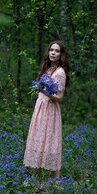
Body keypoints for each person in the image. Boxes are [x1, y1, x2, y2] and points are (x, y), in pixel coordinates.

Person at [23, 40, 70, 180]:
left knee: (50, 141)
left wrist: (43, 90)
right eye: (51, 50)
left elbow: (59, 97)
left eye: (56, 51)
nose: (53, 53)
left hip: (50, 110)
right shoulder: (47, 69)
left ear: (61, 54)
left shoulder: (60, 72)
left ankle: (56, 180)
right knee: (38, 139)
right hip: (41, 107)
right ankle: (34, 177)